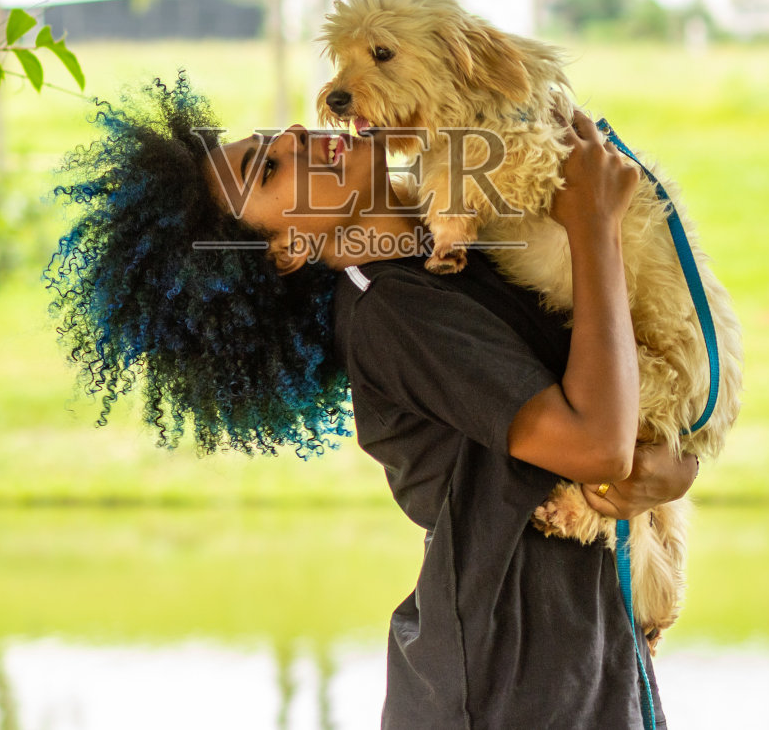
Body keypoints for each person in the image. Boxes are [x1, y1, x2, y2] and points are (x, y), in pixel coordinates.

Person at [46, 75, 697, 728]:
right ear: (287, 251)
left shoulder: (459, 252)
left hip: (590, 666)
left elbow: (615, 408)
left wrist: (672, 466)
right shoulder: (391, 309)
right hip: (507, 691)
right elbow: (596, 444)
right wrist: (594, 224)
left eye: (277, 136)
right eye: (269, 169)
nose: (296, 136)